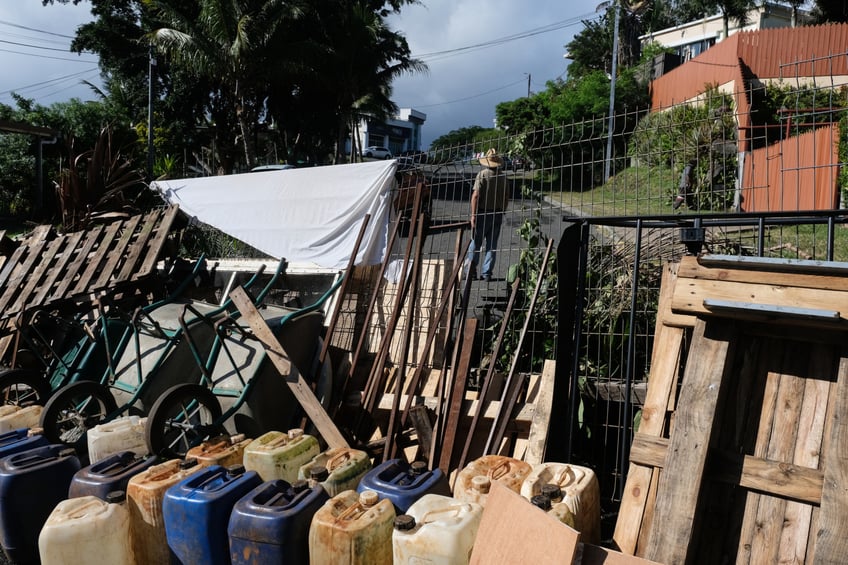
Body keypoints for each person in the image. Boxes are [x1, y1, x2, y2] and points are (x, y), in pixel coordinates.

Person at [466, 148, 510, 281]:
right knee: (492, 244)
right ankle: (487, 273)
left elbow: (476, 196)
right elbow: (507, 197)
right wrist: (502, 210)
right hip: (497, 213)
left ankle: (471, 270)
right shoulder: (503, 177)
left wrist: (473, 215)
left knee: (476, 242)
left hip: (482, 212)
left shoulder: (482, 175)